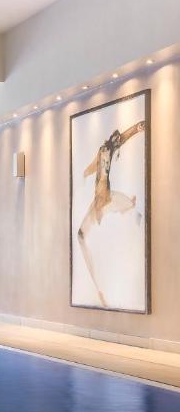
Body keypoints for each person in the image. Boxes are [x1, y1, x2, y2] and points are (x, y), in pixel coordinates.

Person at [76, 120, 146, 307]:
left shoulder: (109, 149)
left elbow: (123, 137)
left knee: (130, 210)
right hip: (101, 200)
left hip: (105, 198)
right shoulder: (103, 150)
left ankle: (101, 289)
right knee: (81, 236)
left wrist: (137, 128)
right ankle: (98, 290)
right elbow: (93, 165)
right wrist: (84, 173)